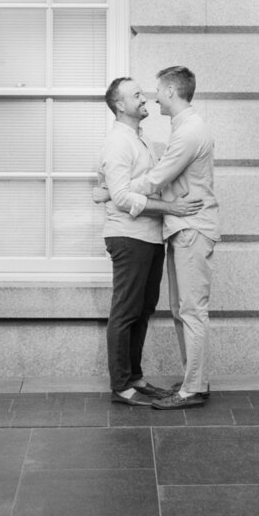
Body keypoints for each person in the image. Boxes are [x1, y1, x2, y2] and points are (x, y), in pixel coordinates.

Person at [99, 77, 203, 407]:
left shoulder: (140, 138)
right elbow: (121, 197)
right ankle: (121, 386)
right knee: (126, 311)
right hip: (128, 237)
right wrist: (171, 208)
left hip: (149, 237)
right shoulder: (118, 142)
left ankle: (135, 377)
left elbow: (136, 186)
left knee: (142, 310)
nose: (144, 99)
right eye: (136, 95)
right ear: (119, 105)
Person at [126, 66, 220, 410]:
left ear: (169, 91)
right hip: (183, 228)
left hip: (192, 229)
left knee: (191, 311)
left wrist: (118, 190)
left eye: (157, 91)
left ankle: (193, 389)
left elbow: (156, 178)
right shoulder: (184, 128)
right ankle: (194, 382)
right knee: (183, 311)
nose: (154, 98)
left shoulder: (190, 131)